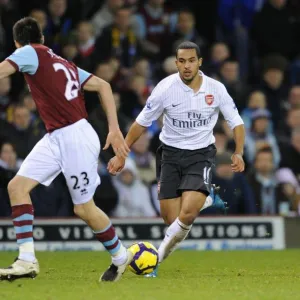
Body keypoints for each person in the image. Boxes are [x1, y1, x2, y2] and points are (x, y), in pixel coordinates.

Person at [0, 17, 132, 282]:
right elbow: (103, 86)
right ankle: (26, 260)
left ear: (17, 43)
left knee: (83, 209)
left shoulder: (29, 52)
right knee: (17, 187)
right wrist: (114, 128)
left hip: (74, 136)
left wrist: (115, 130)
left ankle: (120, 256)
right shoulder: (61, 62)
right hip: (56, 136)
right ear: (43, 38)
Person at [108, 41, 246, 277]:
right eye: (181, 61)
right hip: (169, 155)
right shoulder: (164, 88)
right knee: (173, 221)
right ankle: (205, 197)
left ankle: (154, 261)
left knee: (188, 214)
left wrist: (239, 151)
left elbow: (236, 121)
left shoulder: (216, 89)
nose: (186, 66)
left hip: (201, 154)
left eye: (191, 60)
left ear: (200, 62)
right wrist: (122, 154)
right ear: (176, 63)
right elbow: (141, 123)